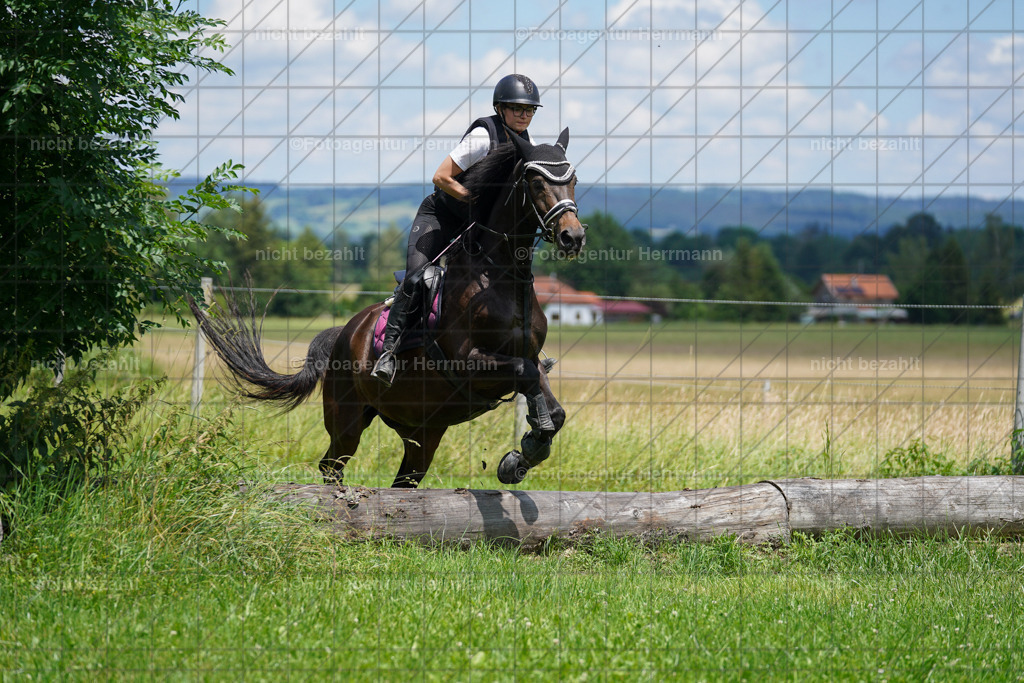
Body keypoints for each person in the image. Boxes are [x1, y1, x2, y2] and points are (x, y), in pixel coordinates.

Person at [371, 74, 542, 387]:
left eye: (529, 110)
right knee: (417, 278)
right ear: (500, 108)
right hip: (441, 216)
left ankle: (527, 350)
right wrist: (473, 200)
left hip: (474, 225)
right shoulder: (483, 136)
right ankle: (389, 352)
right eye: (517, 108)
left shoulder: (525, 144)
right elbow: (440, 177)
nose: (523, 115)